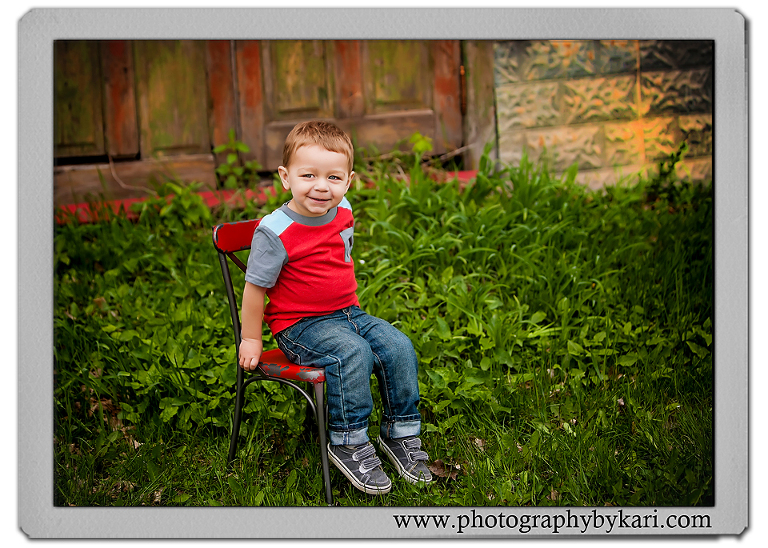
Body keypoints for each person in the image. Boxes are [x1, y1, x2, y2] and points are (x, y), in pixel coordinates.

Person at [238, 120, 432, 495]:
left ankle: (400, 435)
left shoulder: (343, 208)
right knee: (351, 353)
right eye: (308, 175)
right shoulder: (273, 232)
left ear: (349, 180)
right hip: (300, 326)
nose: (321, 186)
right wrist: (250, 338)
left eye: (333, 177)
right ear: (285, 176)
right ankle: (348, 441)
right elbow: (254, 290)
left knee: (398, 346)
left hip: (348, 313)